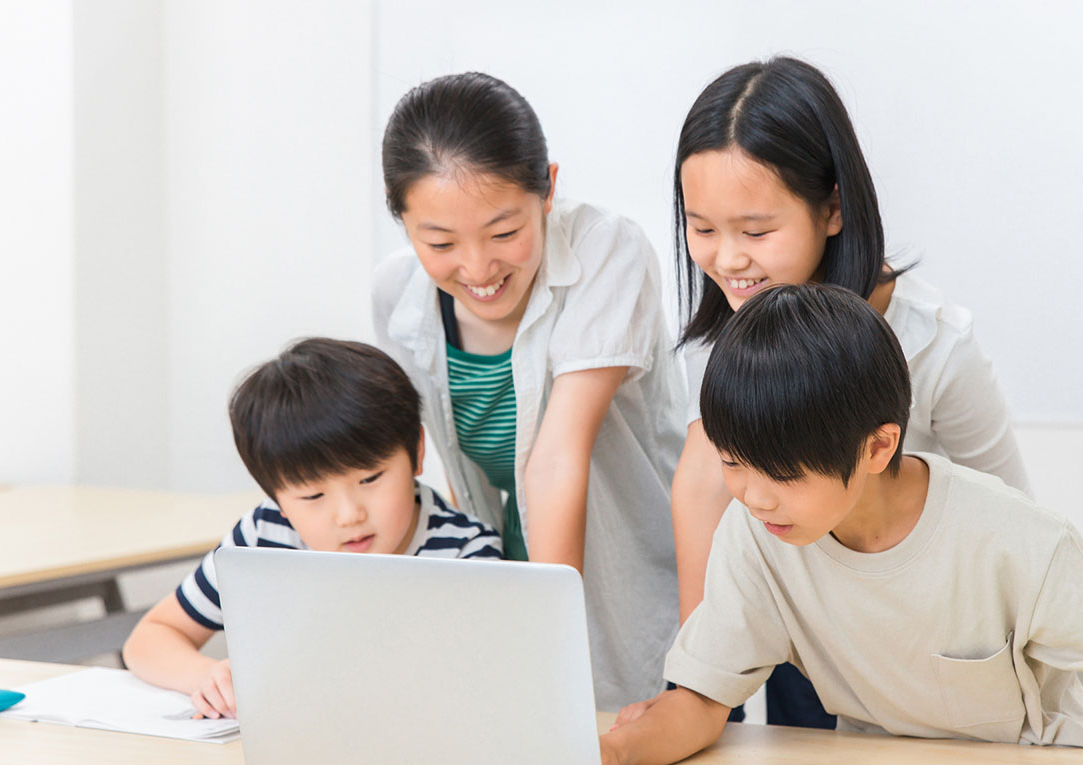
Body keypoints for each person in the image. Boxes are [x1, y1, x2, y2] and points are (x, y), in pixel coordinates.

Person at [665, 57, 1083, 727]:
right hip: (811, 642)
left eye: (755, 231)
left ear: (833, 209)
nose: (728, 259)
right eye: (702, 230)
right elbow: (714, 540)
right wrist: (695, 699)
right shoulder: (716, 346)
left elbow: (1019, 530)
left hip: (943, 662)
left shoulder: (937, 347)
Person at [600, 284, 1083, 765]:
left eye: (782, 473)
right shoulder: (758, 534)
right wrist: (616, 748)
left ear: (878, 445)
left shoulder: (1008, 536)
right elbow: (701, 701)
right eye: (734, 463)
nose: (751, 493)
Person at [372, 72, 684, 710]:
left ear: (548, 188)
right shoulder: (395, 298)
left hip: (624, 599)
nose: (479, 268)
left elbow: (554, 455)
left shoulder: (606, 251)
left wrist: (551, 649)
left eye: (504, 232)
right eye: (439, 242)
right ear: (402, 222)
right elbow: (458, 481)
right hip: (508, 604)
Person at [123, 338, 501, 719]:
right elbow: (150, 637)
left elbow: (480, 685)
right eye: (313, 495)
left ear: (417, 452)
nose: (349, 515)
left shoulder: (466, 555)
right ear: (277, 498)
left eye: (370, 479)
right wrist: (206, 675)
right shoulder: (262, 539)